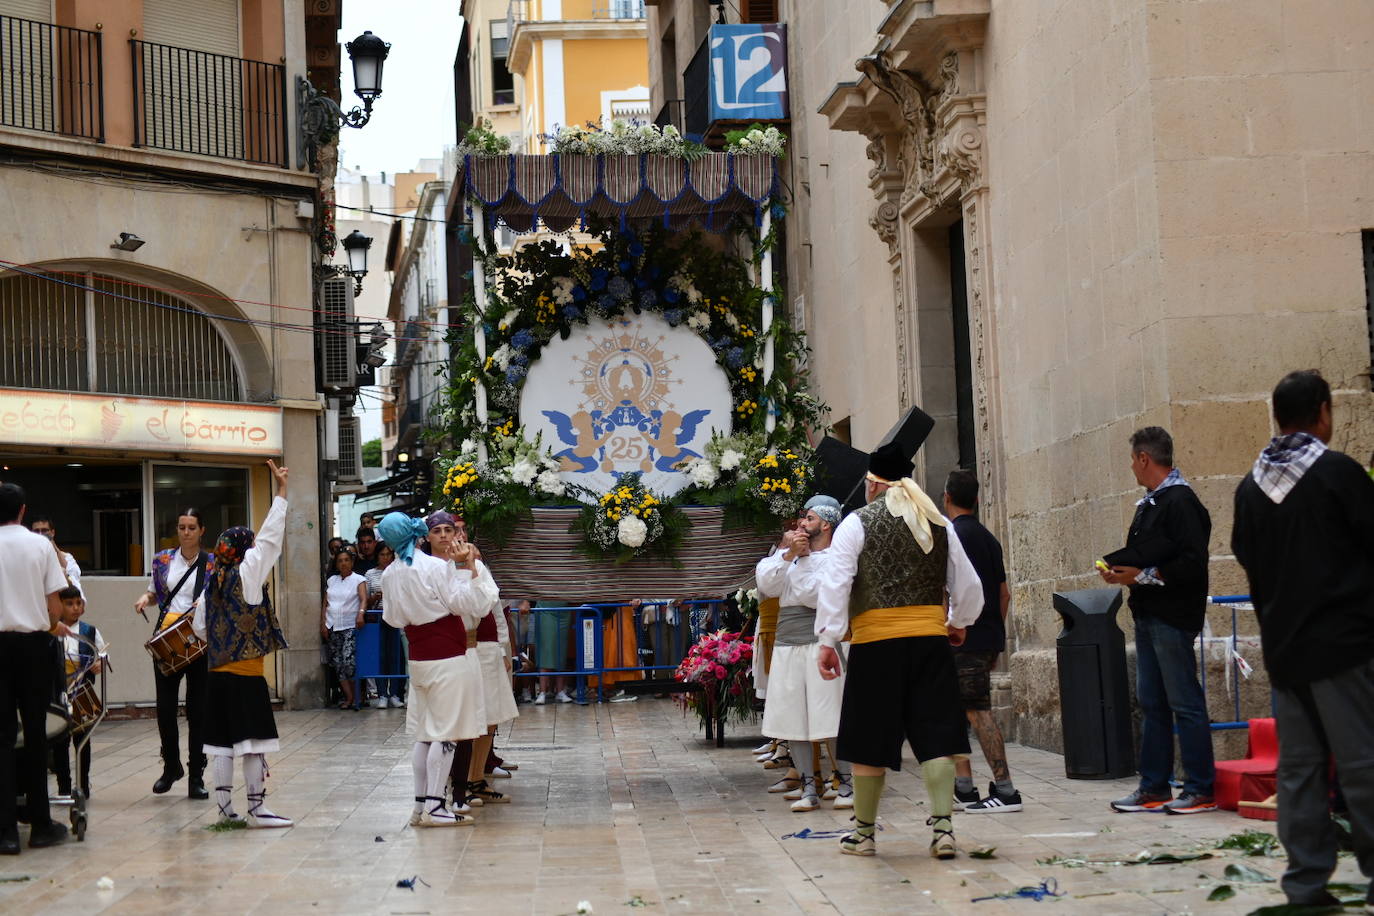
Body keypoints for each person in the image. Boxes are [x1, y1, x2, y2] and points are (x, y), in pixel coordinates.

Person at [1232, 370, 1374, 909]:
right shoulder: (1338, 473)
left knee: (1299, 769)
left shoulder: (1251, 489)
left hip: (1285, 649)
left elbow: (1246, 556)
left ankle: (1306, 883)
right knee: (1362, 763)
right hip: (1345, 646)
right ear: (1322, 413)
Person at [815, 443, 984, 859]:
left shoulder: (857, 524)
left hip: (876, 646)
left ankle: (864, 833)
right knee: (937, 731)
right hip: (929, 641)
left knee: (869, 735)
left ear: (872, 483)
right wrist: (958, 622)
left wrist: (827, 639)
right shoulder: (937, 521)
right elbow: (967, 582)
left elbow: (836, 583)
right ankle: (943, 828)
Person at [1099, 426, 1216, 815]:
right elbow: (1146, 553)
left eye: (1133, 459)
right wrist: (1121, 570)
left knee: (1185, 702)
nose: (1132, 466)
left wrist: (1140, 576)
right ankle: (1154, 787)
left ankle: (1199, 788)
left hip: (1172, 616)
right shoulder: (1150, 504)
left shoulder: (1181, 503)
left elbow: (1191, 564)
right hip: (1149, 614)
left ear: (1145, 459)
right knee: (1152, 702)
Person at [193, 459, 292, 828]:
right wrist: (280, 493)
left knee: (221, 743)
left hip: (217, 674)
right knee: (253, 742)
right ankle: (257, 810)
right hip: (247, 675)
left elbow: (200, 628)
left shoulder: (211, 584)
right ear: (244, 551)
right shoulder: (246, 575)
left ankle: (224, 812)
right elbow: (269, 540)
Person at [379, 511, 493, 827]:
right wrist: (466, 570)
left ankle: (420, 805)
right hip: (447, 654)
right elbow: (463, 604)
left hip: (418, 655)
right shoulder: (432, 566)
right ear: (417, 535)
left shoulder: (390, 573)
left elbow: (391, 618)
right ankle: (434, 806)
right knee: (447, 733)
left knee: (425, 734)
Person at [756, 495, 852, 813]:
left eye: (808, 518)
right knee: (792, 717)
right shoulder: (787, 558)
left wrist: (796, 562)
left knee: (830, 715)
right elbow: (766, 584)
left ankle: (846, 782)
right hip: (788, 645)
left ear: (825, 524)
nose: (801, 524)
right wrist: (789, 557)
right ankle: (809, 786)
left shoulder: (838, 557)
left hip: (820, 642)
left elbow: (816, 595)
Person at [942, 469, 1022, 814]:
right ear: (976, 499)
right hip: (986, 635)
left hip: (963, 637)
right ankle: (964, 788)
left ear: (946, 498)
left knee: (978, 711)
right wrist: (995, 634)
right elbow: (1004, 595)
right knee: (957, 710)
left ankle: (1005, 790)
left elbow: (950, 591)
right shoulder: (990, 538)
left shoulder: (951, 537)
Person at [0, 482, 69, 854]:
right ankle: (41, 825)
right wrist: (45, 622)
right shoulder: (40, 545)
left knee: (2, 738)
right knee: (36, 733)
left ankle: (5, 832)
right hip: (32, 647)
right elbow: (55, 609)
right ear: (23, 511)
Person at [134, 507, 214, 799]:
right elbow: (156, 593)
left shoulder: (212, 563)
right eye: (182, 527)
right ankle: (171, 767)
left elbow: (218, 599)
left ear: (201, 530)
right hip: (167, 640)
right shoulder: (163, 559)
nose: (186, 532)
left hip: (198, 641)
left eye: (192, 527)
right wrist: (146, 598)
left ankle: (196, 775)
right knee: (165, 709)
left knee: (198, 711)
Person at [51, 585, 106, 799]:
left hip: (82, 694)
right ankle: (64, 786)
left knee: (82, 740)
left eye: (78, 603)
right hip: (60, 694)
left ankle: (83, 783)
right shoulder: (52, 630)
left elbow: (102, 654)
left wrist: (99, 663)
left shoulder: (89, 631)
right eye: (69, 604)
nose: (75, 608)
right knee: (60, 742)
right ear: (59, 606)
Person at [322, 547, 368, 710]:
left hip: (350, 625)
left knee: (349, 662)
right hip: (333, 625)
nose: (343, 563)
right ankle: (350, 698)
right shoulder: (332, 580)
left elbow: (364, 599)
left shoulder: (359, 579)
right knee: (338, 664)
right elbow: (326, 603)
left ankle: (359, 696)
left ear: (352, 562)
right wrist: (323, 624)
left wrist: (361, 614)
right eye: (340, 560)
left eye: (346, 560)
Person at [366, 544, 406, 709]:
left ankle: (395, 693)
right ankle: (382, 693)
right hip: (378, 615)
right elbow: (364, 599)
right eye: (382, 554)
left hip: (395, 616)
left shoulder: (398, 572)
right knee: (381, 656)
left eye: (388, 554)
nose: (385, 558)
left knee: (396, 656)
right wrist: (375, 597)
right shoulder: (370, 574)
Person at [533, 598, 574, 705]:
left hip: (563, 609)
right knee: (546, 649)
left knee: (561, 650)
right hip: (545, 609)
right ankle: (542, 692)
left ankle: (560, 691)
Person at [29, 517, 81, 593]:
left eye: (44, 530)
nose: (40, 534)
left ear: (52, 533)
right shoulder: (28, 556)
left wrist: (54, 548)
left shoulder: (66, 556)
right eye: (36, 531)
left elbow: (73, 576)